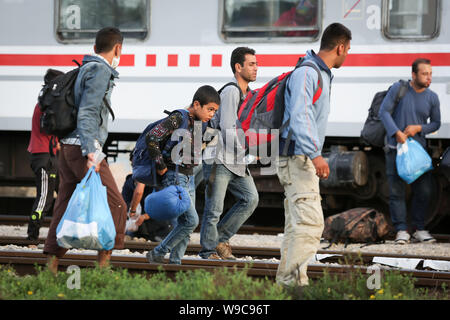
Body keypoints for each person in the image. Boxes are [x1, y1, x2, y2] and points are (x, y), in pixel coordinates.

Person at [43, 27, 127, 274]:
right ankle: (103, 268)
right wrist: (92, 152)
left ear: (94, 48)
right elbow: (88, 111)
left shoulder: (83, 68)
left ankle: (51, 267)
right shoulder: (100, 70)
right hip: (83, 148)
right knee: (116, 203)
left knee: (64, 205)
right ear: (118, 48)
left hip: (67, 148)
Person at [276, 23, 352, 287]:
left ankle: (290, 284)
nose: (347, 55)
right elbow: (301, 115)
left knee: (299, 225)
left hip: (298, 156)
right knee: (309, 224)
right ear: (340, 47)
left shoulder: (316, 72)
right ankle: (292, 285)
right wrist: (315, 154)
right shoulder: (309, 73)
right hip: (298, 156)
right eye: (348, 49)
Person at [146, 85, 220, 265]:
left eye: (214, 111)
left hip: (189, 177)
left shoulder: (197, 122)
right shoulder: (179, 117)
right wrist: (161, 167)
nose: (212, 114)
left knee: (184, 226)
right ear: (196, 104)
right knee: (190, 221)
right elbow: (152, 137)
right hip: (175, 176)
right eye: (210, 109)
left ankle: (175, 264)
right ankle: (158, 252)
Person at [199, 47, 259, 260]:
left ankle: (218, 240)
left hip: (235, 160)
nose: (256, 68)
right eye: (251, 64)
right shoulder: (232, 91)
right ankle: (207, 253)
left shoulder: (247, 94)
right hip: (219, 158)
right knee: (214, 209)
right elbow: (226, 127)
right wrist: (246, 151)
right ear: (238, 67)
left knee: (250, 199)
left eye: (256, 64)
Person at [379, 58, 441, 244]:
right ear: (413, 74)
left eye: (430, 74)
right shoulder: (399, 89)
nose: (428, 77)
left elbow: (436, 123)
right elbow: (384, 112)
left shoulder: (432, 97)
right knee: (397, 192)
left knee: (424, 191)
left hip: (418, 153)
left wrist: (418, 128)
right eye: (424, 74)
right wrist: (396, 132)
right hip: (394, 149)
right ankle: (401, 230)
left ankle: (418, 228)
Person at [26, 69, 63, 242]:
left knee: (62, 193)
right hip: (42, 156)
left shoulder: (46, 102)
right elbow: (46, 127)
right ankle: (32, 235)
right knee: (44, 198)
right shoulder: (44, 104)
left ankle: (61, 232)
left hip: (50, 155)